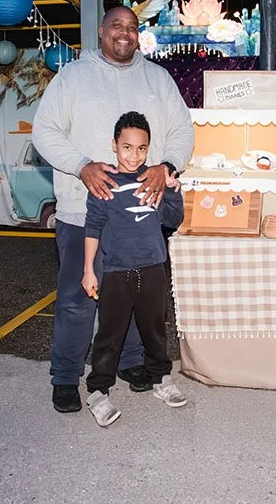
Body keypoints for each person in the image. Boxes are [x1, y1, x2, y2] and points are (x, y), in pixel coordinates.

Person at [33, 6, 194, 413]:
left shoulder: (158, 79)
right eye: (117, 26)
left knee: (136, 296)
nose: (125, 33)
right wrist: (81, 165)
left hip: (141, 215)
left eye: (132, 28)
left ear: (139, 36)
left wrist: (165, 166)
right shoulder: (72, 77)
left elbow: (182, 132)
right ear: (102, 31)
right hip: (83, 212)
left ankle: (131, 362)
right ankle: (66, 378)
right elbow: (43, 131)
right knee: (78, 299)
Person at [82, 111, 188, 427]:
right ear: (114, 145)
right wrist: (89, 269)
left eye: (141, 148)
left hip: (153, 269)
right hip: (116, 272)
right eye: (127, 147)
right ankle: (98, 392)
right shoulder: (106, 184)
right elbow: (93, 227)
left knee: (155, 330)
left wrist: (172, 191)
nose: (134, 155)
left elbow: (172, 222)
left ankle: (162, 380)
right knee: (108, 336)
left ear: (148, 149)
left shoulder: (153, 181)